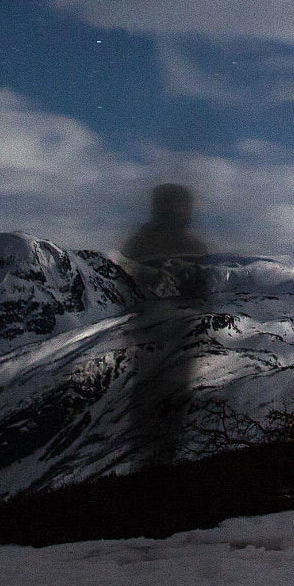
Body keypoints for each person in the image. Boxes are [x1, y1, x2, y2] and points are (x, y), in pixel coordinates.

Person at [120, 182, 209, 462]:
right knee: (159, 423)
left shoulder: (139, 243)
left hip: (163, 348)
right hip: (163, 348)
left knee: (157, 424)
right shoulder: (148, 244)